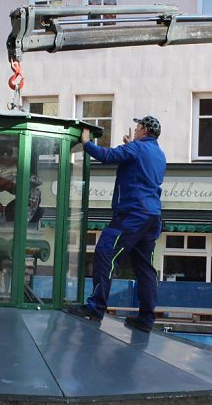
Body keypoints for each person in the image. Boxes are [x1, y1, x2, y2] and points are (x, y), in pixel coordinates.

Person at [66, 115, 166, 332]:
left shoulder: (137, 149)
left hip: (132, 213)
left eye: (138, 127)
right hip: (152, 217)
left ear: (144, 131)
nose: (136, 129)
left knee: (105, 252)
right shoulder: (158, 153)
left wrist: (86, 142)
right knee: (145, 268)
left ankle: (95, 308)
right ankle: (146, 319)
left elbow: (107, 155)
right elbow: (139, 166)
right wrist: (131, 146)